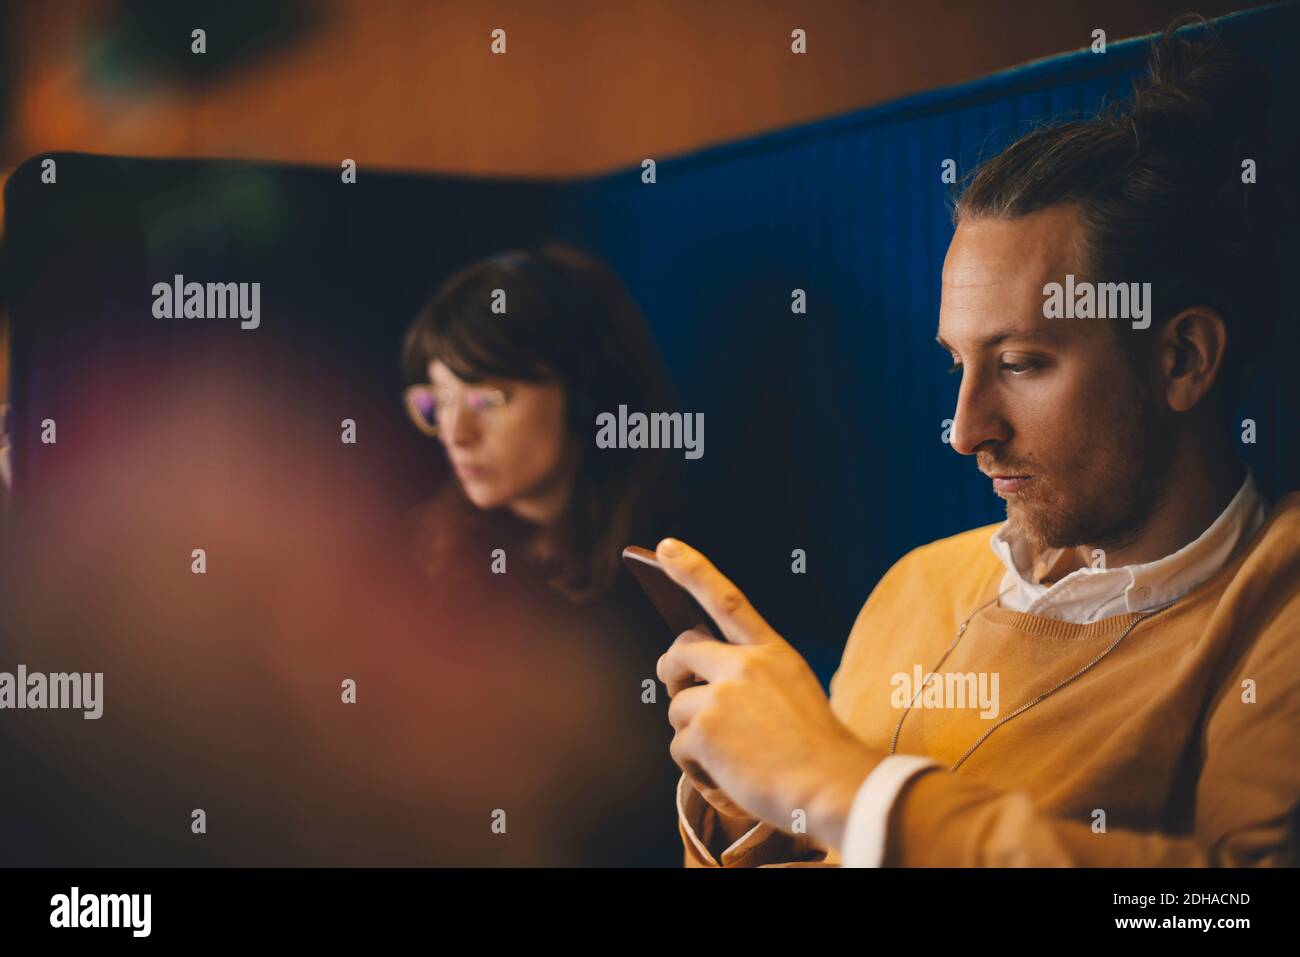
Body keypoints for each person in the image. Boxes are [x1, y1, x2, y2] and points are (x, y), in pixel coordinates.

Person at [658, 17, 1300, 867]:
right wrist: (757, 799)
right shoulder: (919, 582)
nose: (966, 431)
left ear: (1181, 357)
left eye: (1022, 362)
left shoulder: (1273, 607)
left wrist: (844, 790)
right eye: (958, 363)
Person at [399, 243, 688, 865]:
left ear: (585, 397)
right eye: (439, 401)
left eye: (485, 398)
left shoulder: (665, 585)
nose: (455, 434)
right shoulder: (420, 550)